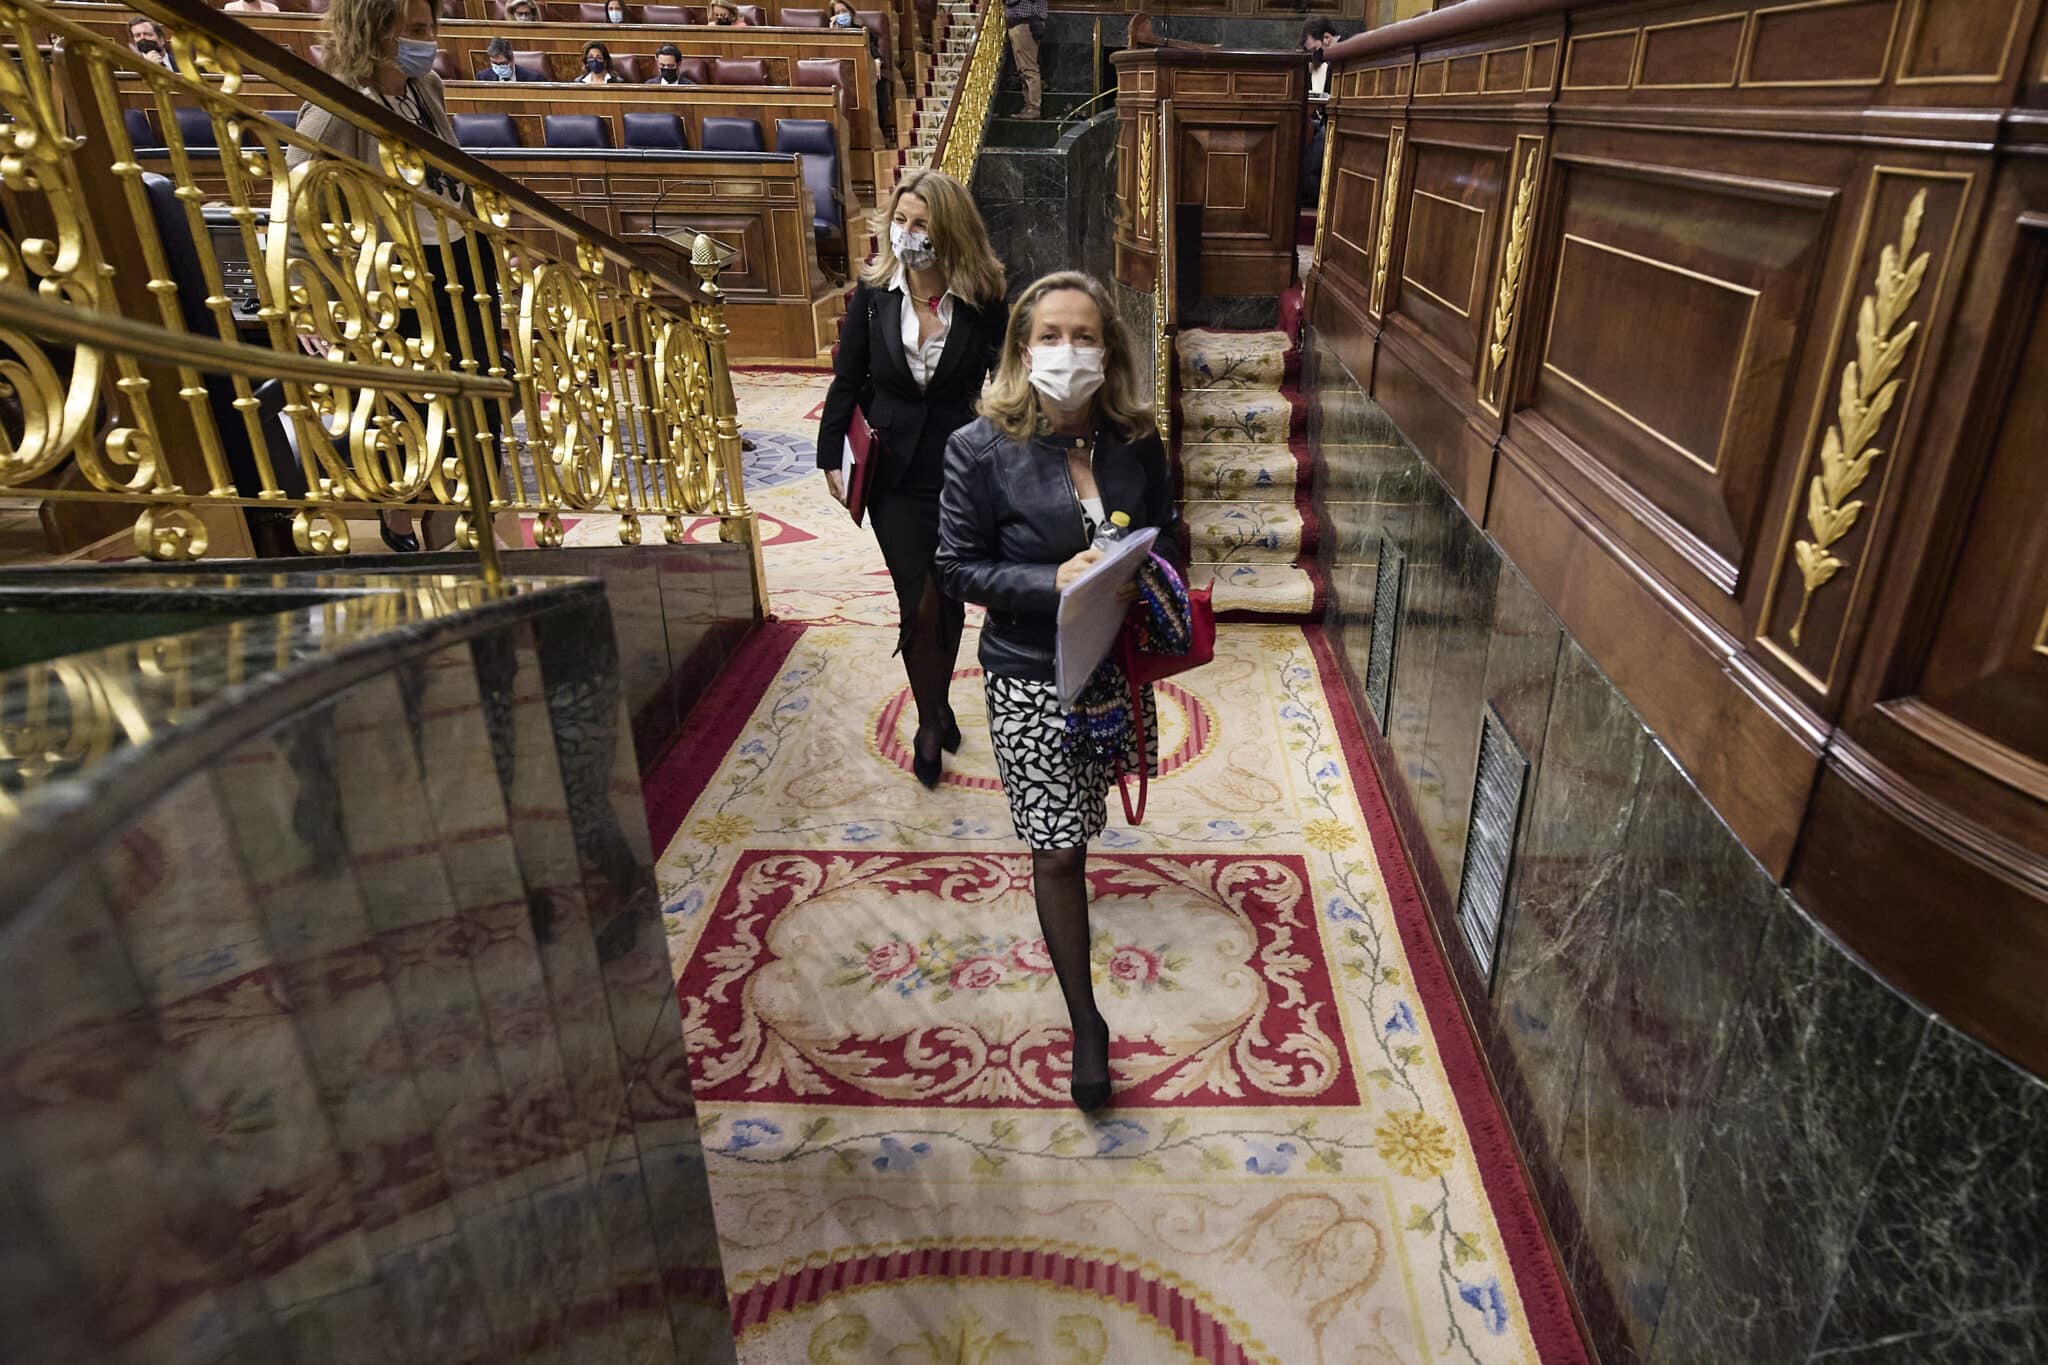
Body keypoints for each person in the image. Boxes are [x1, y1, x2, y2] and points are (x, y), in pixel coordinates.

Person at [935, 271, 1178, 1115]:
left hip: (1110, 668)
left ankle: (1075, 853)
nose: (1067, 351)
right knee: (1059, 848)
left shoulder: (1138, 439)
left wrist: (1151, 576)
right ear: (1022, 348)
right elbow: (956, 566)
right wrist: (1052, 579)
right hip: (1027, 671)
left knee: (1087, 810)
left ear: (1107, 350)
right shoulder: (979, 447)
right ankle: (1087, 1021)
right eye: (1050, 336)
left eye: (1084, 336)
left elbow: (1169, 532)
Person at [289, 0, 521, 551]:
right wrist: (309, 300)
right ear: (372, 32)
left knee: (479, 387)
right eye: (416, 30)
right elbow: (300, 212)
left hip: (460, 258)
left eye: (430, 26)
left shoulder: (426, 87)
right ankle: (404, 515)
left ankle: (468, 511)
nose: (429, 39)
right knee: (417, 403)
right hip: (399, 274)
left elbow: (451, 165)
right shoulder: (334, 110)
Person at [815, 168, 1007, 788]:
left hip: (959, 470)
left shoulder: (982, 296)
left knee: (948, 597)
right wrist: (828, 457)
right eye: (901, 221)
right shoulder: (874, 294)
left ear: (948, 230)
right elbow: (848, 377)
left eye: (921, 223)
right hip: (892, 471)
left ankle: (940, 704)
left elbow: (1007, 381)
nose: (907, 234)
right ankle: (931, 720)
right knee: (917, 599)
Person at [1002, 0, 1044, 120]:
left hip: (1025, 24)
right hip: (1019, 24)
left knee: (1029, 68)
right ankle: (1028, 106)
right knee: (1023, 70)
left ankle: (1034, 107)